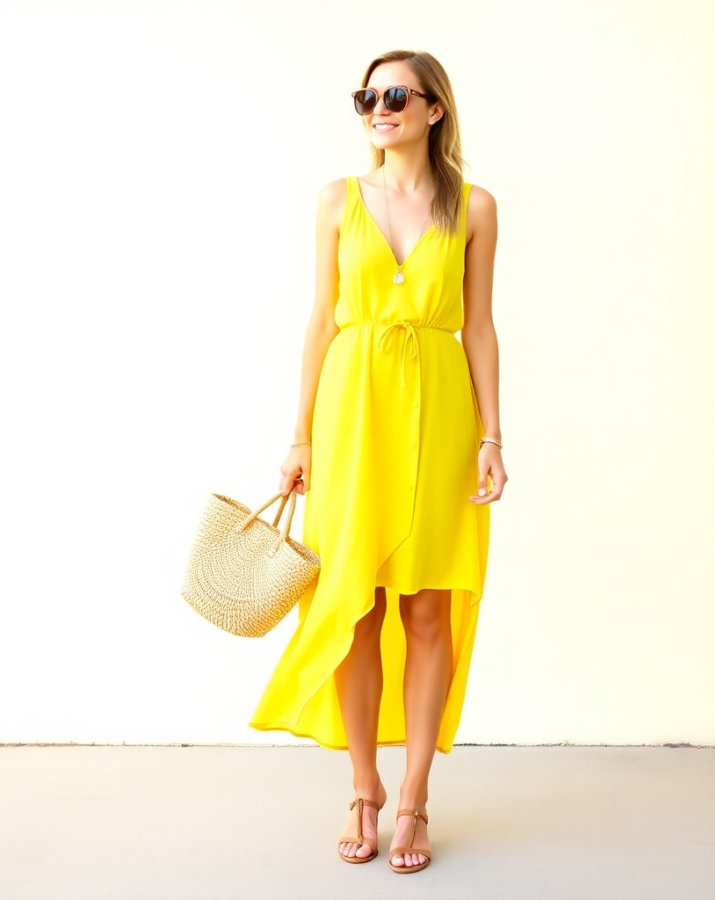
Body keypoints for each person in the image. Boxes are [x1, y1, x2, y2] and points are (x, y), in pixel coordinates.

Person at [248, 48, 507, 874]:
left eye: (395, 94)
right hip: (351, 412)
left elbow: (480, 326)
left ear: (435, 109)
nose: (377, 107)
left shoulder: (474, 207)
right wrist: (299, 436)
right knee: (353, 605)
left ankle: (416, 797)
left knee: (429, 610)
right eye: (367, 96)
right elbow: (320, 320)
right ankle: (363, 787)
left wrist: (492, 435)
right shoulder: (336, 200)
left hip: (438, 416)